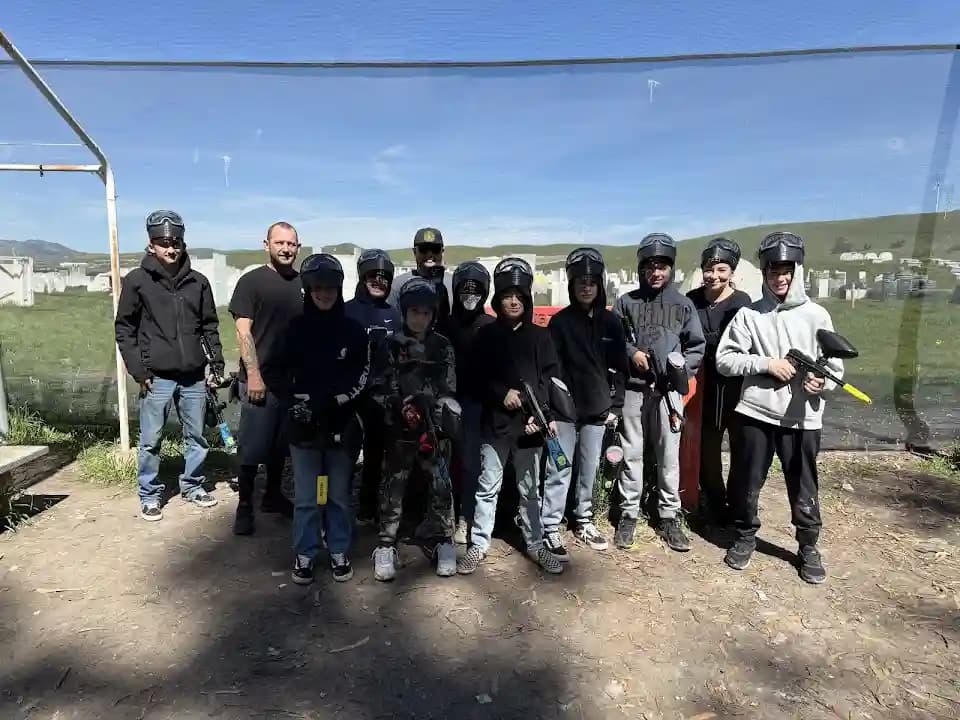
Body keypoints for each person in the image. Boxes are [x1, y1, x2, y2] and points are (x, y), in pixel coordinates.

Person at [716, 231, 837, 584]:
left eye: (786, 270)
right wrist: (765, 364)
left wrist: (822, 383)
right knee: (746, 480)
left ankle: (808, 546)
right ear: (765, 274)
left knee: (803, 484)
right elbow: (725, 360)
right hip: (756, 413)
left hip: (802, 418)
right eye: (773, 271)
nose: (780, 278)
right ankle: (744, 536)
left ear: (797, 270)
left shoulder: (817, 315)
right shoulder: (749, 316)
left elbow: (834, 366)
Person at [457, 258, 565, 576]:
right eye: (507, 296)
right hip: (496, 425)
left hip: (531, 428)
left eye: (519, 296)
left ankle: (535, 545)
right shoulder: (487, 337)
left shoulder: (541, 338)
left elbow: (550, 380)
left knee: (530, 489)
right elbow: (475, 378)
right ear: (498, 300)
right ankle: (478, 544)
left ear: (527, 299)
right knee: (487, 485)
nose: (513, 301)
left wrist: (541, 413)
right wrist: (500, 393)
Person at [115, 210, 224, 521]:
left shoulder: (198, 282)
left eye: (175, 242)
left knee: (198, 437)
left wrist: (215, 366)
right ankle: (149, 494)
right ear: (151, 245)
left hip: (193, 376)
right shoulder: (137, 281)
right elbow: (125, 328)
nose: (170, 248)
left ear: (182, 242)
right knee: (151, 440)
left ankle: (193, 486)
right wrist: (138, 369)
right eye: (163, 242)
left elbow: (209, 326)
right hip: (156, 377)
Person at [613, 233, 705, 552]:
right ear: (642, 268)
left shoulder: (683, 305)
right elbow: (615, 340)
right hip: (635, 390)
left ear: (671, 269)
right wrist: (630, 354)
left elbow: (696, 346)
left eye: (663, 266)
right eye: (651, 266)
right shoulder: (626, 302)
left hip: (668, 393)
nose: (656, 272)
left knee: (669, 455)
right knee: (632, 452)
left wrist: (680, 371)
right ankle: (628, 513)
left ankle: (668, 514)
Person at [284, 254, 369, 585]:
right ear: (308, 290)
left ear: (339, 289)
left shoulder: (352, 330)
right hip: (303, 427)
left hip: (340, 425)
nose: (325, 294)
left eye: (331, 288)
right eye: (318, 288)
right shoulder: (294, 329)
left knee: (337, 496)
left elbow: (361, 376)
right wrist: (294, 402)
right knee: (307, 496)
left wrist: (333, 402)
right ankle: (305, 552)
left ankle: (338, 548)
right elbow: (277, 371)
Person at [369, 278, 459, 581]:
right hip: (399, 431)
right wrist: (398, 406)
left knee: (441, 486)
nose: (420, 318)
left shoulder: (442, 345)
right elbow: (378, 387)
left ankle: (444, 540)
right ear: (404, 312)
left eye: (426, 313)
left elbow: (449, 386)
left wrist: (437, 409)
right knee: (393, 488)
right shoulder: (390, 344)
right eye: (414, 312)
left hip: (433, 429)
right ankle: (385, 544)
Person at [541, 248, 628, 559]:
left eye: (591, 281)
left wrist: (615, 408)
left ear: (599, 284)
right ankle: (550, 525)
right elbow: (550, 369)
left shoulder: (612, 323)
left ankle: (584, 520)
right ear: (571, 285)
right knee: (559, 468)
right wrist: (553, 407)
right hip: (563, 413)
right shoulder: (560, 324)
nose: (586, 287)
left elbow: (619, 368)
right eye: (580, 282)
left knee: (588, 469)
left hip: (597, 412)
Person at [227, 221, 303, 535]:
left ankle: (272, 495)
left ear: (298, 248)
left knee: (279, 446)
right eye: (280, 243)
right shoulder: (252, 282)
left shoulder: (303, 283)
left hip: (292, 382)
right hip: (260, 380)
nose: (286, 249)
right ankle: (244, 506)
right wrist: (254, 375)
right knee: (252, 447)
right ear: (267, 245)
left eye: (291, 244)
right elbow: (243, 331)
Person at [685, 238, 752, 525]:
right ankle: (715, 499)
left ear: (732, 272)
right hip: (702, 385)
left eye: (721, 269)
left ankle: (739, 503)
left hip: (735, 385)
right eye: (709, 269)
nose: (714, 275)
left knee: (739, 446)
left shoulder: (742, 303)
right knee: (707, 447)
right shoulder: (692, 300)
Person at [345, 249, 403, 523]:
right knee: (344, 456)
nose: (379, 281)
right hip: (350, 399)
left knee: (375, 455)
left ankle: (368, 507)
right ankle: (337, 508)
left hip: (382, 399)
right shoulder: (347, 311)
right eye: (372, 276)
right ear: (362, 277)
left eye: (384, 277)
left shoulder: (394, 314)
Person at [446, 261, 495, 544]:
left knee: (470, 463)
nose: (470, 295)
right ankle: (442, 513)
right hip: (446, 402)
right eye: (464, 289)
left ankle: (466, 515)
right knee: (442, 461)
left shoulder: (490, 326)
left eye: (476, 290)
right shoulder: (446, 323)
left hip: (477, 405)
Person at [388, 227, 454, 337]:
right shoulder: (398, 284)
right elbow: (390, 321)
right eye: (424, 249)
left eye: (435, 249)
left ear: (442, 251)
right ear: (414, 251)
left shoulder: (453, 282)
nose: (429, 254)